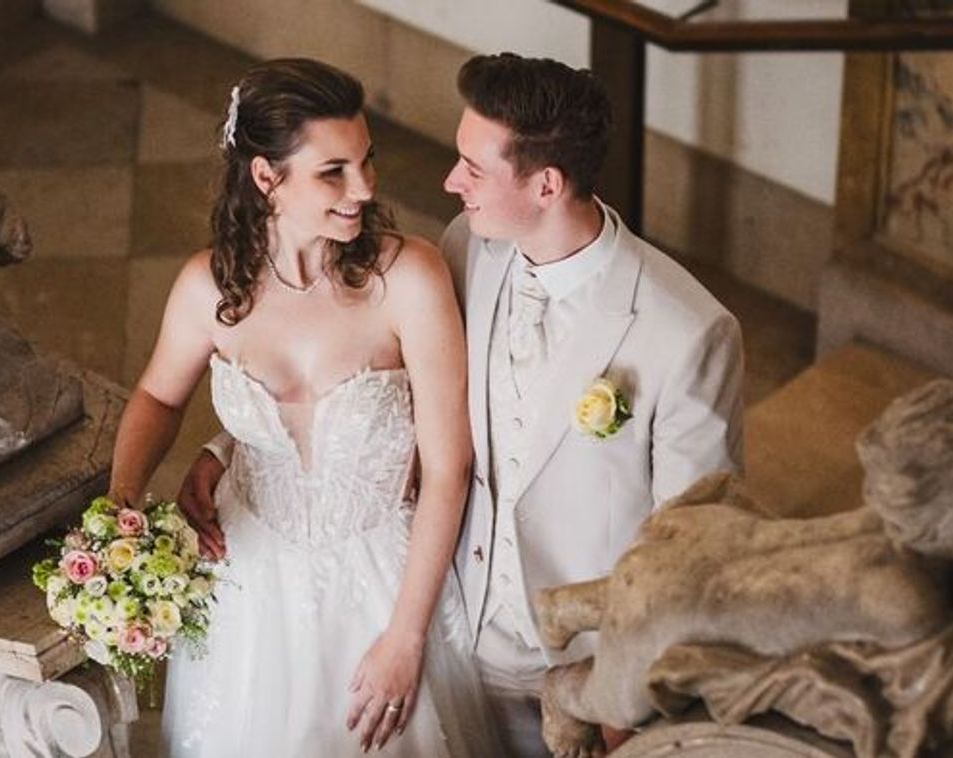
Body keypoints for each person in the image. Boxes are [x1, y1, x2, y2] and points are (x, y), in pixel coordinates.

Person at [108, 58, 501, 757]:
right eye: (333, 172)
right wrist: (123, 501)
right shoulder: (208, 288)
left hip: (386, 579)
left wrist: (405, 637)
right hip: (247, 584)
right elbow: (158, 397)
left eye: (365, 161)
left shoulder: (409, 278)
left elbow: (448, 469)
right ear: (266, 177)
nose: (364, 188)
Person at [439, 53, 745, 756]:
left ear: (546, 184)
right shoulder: (466, 249)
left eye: (473, 168)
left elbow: (690, 546)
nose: (451, 181)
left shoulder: (687, 331)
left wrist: (624, 694)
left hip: (582, 678)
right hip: (451, 639)